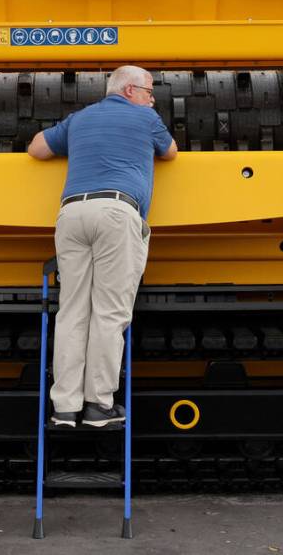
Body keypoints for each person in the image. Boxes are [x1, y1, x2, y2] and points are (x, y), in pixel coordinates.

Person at [27, 66, 178, 428]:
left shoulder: (79, 118)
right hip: (115, 212)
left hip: (72, 214)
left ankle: (64, 407)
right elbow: (171, 152)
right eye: (148, 90)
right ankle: (98, 405)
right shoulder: (146, 117)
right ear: (129, 90)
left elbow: (36, 149)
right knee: (109, 313)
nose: (152, 97)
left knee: (73, 310)